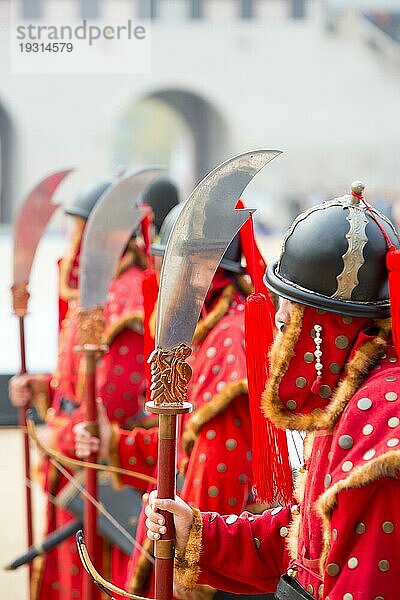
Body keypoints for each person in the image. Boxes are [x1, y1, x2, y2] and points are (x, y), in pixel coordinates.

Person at [145, 182, 400, 600]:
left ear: (323, 324)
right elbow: (303, 538)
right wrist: (199, 532)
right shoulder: (352, 396)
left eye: (292, 307)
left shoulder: (379, 412)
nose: (280, 316)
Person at [73, 202, 273, 598]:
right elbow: (184, 452)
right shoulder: (210, 332)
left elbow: (221, 467)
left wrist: (189, 566)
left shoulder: (228, 339)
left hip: (222, 564)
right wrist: (115, 442)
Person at [8, 176, 179, 600]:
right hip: (75, 462)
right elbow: (75, 384)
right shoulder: (101, 293)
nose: (72, 242)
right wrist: (41, 388)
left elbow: (113, 406)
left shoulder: (126, 297)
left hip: (103, 475)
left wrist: (59, 434)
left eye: (77, 229)